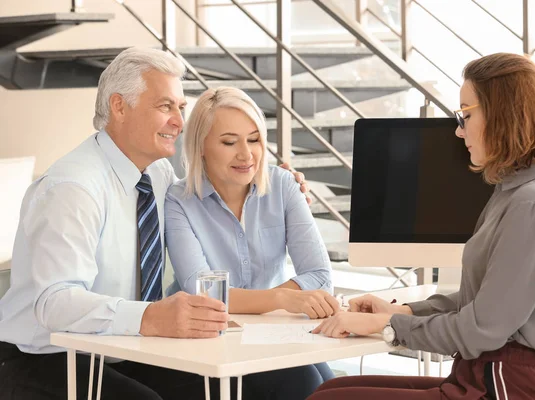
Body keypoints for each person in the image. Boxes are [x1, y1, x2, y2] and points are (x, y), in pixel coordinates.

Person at [0, 47, 310, 400]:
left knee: (271, 381)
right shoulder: (73, 188)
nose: (179, 121)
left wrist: (279, 185)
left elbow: (215, 184)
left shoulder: (159, 173)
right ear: (119, 107)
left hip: (127, 348)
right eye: (165, 106)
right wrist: (149, 317)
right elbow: (54, 303)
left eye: (180, 107)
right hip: (44, 357)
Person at [309, 52, 535, 399]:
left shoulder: (532, 204)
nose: (458, 129)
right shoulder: (516, 192)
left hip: (508, 386)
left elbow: (481, 329)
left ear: (503, 115)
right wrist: (400, 310)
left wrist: (387, 325)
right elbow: (482, 304)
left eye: (465, 115)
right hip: (485, 374)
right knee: (332, 388)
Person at [164, 86, 337, 399]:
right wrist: (283, 299)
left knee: (330, 385)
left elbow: (320, 276)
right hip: (205, 344)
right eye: (230, 142)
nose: (246, 154)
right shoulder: (179, 201)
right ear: (201, 146)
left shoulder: (284, 185)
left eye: (254, 139)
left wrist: (266, 301)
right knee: (303, 383)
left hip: (271, 336)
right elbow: (201, 292)